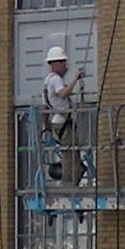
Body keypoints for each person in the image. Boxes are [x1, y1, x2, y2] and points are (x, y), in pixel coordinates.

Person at [40, 46, 87, 180]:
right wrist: (75, 79)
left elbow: (44, 108)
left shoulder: (47, 81)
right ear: (56, 63)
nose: (65, 66)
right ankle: (70, 184)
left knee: (71, 155)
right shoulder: (55, 80)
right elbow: (63, 93)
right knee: (70, 157)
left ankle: (73, 178)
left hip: (57, 122)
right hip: (63, 123)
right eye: (63, 62)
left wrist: (47, 126)